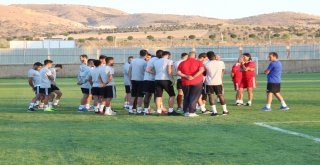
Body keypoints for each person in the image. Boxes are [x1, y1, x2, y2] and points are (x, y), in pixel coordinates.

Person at [148, 51, 179, 116]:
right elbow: (169, 71)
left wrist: (156, 74)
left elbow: (149, 69)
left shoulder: (156, 61)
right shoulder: (169, 61)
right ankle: (170, 111)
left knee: (158, 96)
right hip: (166, 79)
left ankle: (159, 111)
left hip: (157, 80)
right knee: (172, 95)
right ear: (168, 55)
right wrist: (172, 80)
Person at [177, 51, 205, 117]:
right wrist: (193, 76)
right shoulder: (198, 62)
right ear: (195, 56)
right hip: (196, 82)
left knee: (186, 96)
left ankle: (186, 111)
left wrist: (186, 76)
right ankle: (192, 112)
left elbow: (178, 72)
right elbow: (201, 70)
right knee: (194, 97)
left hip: (185, 82)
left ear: (188, 56)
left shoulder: (182, 63)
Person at [204, 52, 229, 116]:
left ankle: (214, 112)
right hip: (218, 82)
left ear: (208, 57)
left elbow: (204, 73)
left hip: (209, 82)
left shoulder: (206, 63)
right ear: (214, 56)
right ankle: (225, 110)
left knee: (211, 96)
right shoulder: (221, 62)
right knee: (220, 95)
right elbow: (222, 71)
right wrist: (221, 79)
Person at [128, 49, 148, 115]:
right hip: (141, 80)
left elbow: (130, 71)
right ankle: (139, 110)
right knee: (140, 96)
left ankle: (130, 110)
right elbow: (146, 71)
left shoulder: (133, 61)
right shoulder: (144, 62)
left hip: (133, 80)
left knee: (133, 95)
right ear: (146, 55)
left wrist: (130, 79)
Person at [143, 50, 160, 115]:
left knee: (149, 95)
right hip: (150, 80)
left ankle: (147, 110)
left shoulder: (151, 61)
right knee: (150, 95)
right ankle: (158, 110)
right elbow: (148, 70)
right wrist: (156, 73)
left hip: (149, 80)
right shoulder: (155, 60)